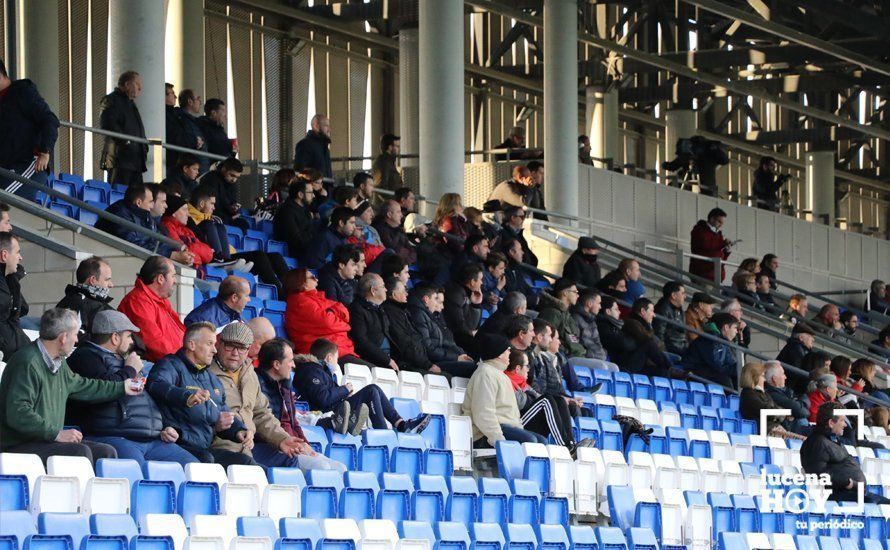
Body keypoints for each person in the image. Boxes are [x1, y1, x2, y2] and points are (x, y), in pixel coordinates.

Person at [0, 308, 144, 464]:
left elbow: (84, 386)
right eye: (75, 335)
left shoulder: (60, 364)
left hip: (45, 441)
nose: (77, 340)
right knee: (79, 452)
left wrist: (122, 387)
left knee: (105, 452)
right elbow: (18, 412)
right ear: (63, 337)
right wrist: (56, 434)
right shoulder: (27, 362)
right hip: (18, 446)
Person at [66, 310, 198, 466]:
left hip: (153, 439)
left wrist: (165, 427)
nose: (132, 342)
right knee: (136, 474)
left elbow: (147, 399)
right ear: (115, 338)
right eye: (128, 336)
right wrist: (130, 370)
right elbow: (104, 389)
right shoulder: (86, 357)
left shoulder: (126, 360)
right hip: (114, 436)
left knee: (195, 469)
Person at [208, 323, 344, 471]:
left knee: (335, 468)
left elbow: (262, 414)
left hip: (250, 447)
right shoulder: (205, 374)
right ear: (219, 344)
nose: (235, 353)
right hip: (223, 447)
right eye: (230, 346)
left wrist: (283, 439)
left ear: (248, 350)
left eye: (241, 348)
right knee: (316, 468)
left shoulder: (249, 373)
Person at [146, 322, 256, 466]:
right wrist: (187, 396)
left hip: (204, 447)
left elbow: (223, 412)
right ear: (192, 345)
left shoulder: (212, 379)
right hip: (176, 442)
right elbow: (155, 385)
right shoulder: (170, 365)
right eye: (210, 343)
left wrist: (238, 431)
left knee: (245, 463)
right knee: (206, 460)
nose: (214, 350)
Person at [293, 337, 430, 432]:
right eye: (336, 358)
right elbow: (322, 398)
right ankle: (382, 431)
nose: (336, 363)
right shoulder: (310, 370)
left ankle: (401, 425)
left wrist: (343, 393)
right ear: (329, 357)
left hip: (336, 409)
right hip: (327, 414)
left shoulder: (319, 371)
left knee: (373, 388)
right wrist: (344, 390)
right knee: (370, 391)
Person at [257, 337, 355, 437]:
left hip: (288, 441)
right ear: (277, 364)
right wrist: (288, 442)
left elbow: (293, 423)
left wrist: (303, 443)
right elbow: (272, 423)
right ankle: (336, 422)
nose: (294, 365)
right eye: (290, 361)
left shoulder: (284, 386)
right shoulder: (258, 387)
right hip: (273, 444)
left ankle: (344, 421)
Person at [462, 336, 547, 448]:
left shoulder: (501, 375)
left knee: (542, 442)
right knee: (530, 441)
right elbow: (483, 413)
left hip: (506, 427)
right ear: (499, 354)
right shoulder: (485, 374)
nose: (509, 353)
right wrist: (498, 439)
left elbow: (512, 412)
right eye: (507, 350)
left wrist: (520, 430)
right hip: (484, 434)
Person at [505, 349, 593, 455]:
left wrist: (566, 399)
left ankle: (571, 442)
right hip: (516, 423)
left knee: (559, 400)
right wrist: (532, 398)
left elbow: (536, 397)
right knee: (546, 400)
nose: (528, 369)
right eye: (526, 365)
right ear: (518, 369)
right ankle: (566, 447)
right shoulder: (506, 381)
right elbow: (520, 402)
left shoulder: (524, 384)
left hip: (526, 419)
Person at [801, 402, 890, 504]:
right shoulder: (817, 443)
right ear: (831, 423)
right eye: (842, 420)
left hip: (853, 493)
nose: (845, 424)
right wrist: (849, 483)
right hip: (837, 495)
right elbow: (818, 474)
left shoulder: (831, 440)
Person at [0, 59, 59, 201]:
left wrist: (45, 152)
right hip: (6, 167)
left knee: (4, 199)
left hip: (29, 164)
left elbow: (50, 119)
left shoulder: (22, 91)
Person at [96, 184, 194, 266]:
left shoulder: (145, 216)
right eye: (151, 202)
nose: (152, 206)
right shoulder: (118, 214)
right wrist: (173, 255)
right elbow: (132, 245)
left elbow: (156, 240)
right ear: (138, 202)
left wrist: (178, 250)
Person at [118, 256, 187, 362]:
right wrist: (184, 361)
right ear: (160, 279)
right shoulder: (138, 300)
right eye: (173, 276)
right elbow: (154, 342)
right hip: (159, 367)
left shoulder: (160, 300)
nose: (175, 280)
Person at [284, 268, 359, 361]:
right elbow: (328, 323)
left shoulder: (317, 297)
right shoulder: (299, 302)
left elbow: (343, 310)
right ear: (303, 284)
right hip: (324, 354)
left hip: (339, 350)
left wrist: (331, 312)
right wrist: (345, 324)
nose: (316, 279)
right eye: (312, 277)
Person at [408, 283, 475, 369]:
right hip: (433, 362)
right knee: (472, 368)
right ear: (426, 299)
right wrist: (456, 357)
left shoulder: (427, 315)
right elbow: (428, 348)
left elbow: (444, 342)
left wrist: (460, 353)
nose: (439, 305)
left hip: (440, 358)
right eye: (436, 299)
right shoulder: (419, 314)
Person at [99, 71, 147, 185]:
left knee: (137, 199)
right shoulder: (111, 100)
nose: (140, 87)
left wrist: (143, 147)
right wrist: (126, 142)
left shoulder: (131, 104)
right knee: (119, 195)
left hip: (135, 161)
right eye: (137, 83)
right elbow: (108, 124)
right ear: (127, 84)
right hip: (119, 159)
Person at [347, 274, 401, 371]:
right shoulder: (357, 310)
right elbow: (361, 343)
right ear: (373, 291)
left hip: (391, 359)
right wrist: (387, 360)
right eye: (383, 286)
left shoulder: (380, 309)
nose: (386, 290)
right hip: (374, 362)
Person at [738, 362, 805, 440]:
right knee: (802, 442)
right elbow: (766, 409)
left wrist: (779, 412)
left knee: (804, 441)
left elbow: (774, 407)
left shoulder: (763, 393)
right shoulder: (748, 394)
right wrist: (784, 413)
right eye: (762, 376)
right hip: (766, 432)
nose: (764, 380)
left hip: (775, 429)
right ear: (754, 377)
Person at [55, 256, 115, 342]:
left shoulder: (94, 302)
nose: (111, 285)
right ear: (93, 280)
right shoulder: (76, 302)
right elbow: (76, 339)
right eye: (107, 280)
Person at [620, 298, 677, 378]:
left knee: (663, 372)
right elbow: (648, 341)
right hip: (628, 365)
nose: (654, 315)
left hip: (639, 364)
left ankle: (670, 368)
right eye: (652, 311)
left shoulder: (641, 325)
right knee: (648, 343)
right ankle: (670, 367)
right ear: (643, 311)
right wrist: (649, 326)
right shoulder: (631, 323)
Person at [681, 312, 740, 390]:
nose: (737, 332)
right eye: (735, 328)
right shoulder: (710, 340)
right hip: (693, 372)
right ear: (726, 327)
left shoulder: (723, 341)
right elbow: (717, 366)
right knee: (725, 379)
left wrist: (741, 369)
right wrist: (737, 369)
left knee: (739, 378)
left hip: (707, 372)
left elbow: (730, 362)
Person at [159, 194, 214, 269]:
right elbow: (184, 254)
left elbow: (209, 254)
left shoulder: (187, 230)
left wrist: (189, 247)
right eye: (185, 210)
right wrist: (197, 254)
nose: (188, 214)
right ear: (174, 212)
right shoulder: (167, 226)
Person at [538, 279, 587, 358]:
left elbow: (574, 339)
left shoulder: (567, 316)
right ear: (565, 293)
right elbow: (546, 341)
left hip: (575, 356)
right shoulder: (552, 313)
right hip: (563, 357)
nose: (578, 295)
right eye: (575, 292)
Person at [444, 263, 486, 353]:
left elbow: (472, 325)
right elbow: (457, 325)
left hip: (463, 336)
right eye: (480, 280)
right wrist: (471, 333)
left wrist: (476, 305)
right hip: (453, 339)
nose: (482, 283)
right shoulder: (455, 294)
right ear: (472, 282)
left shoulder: (467, 292)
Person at [199, 157, 248, 231]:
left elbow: (230, 202)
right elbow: (211, 206)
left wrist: (233, 207)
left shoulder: (231, 184)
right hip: (213, 217)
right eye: (232, 175)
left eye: (237, 177)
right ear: (224, 169)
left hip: (225, 216)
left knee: (244, 224)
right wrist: (229, 216)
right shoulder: (210, 179)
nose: (234, 180)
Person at [273, 177, 316, 260]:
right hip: (293, 253)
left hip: (305, 250)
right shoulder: (287, 211)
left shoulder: (305, 209)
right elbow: (296, 240)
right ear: (300, 194)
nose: (313, 196)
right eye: (310, 192)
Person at [0, 232, 28, 360]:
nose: (20, 257)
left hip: (16, 349)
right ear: (4, 255)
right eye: (17, 252)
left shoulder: (10, 281)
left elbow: (20, 311)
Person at [185, 276, 250, 327]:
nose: (249, 300)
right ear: (234, 298)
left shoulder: (235, 314)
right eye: (247, 296)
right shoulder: (202, 319)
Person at [689, 208, 732, 283]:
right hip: (703, 273)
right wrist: (723, 243)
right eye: (719, 222)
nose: (721, 225)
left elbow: (719, 254)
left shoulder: (718, 233)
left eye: (722, 223)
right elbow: (705, 245)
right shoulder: (699, 229)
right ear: (712, 219)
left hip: (715, 274)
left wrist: (726, 251)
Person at [763, 360, 810, 428]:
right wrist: (799, 407)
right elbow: (802, 412)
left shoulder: (787, 390)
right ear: (774, 379)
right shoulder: (772, 395)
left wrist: (798, 408)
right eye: (782, 374)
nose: (785, 377)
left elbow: (804, 397)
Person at [374, 199, 418, 264]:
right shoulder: (379, 229)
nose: (401, 215)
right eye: (398, 212)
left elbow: (412, 252)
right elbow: (392, 249)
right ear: (389, 214)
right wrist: (405, 254)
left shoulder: (400, 230)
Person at [176, 89, 209, 173]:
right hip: (194, 170)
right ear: (190, 101)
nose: (200, 102)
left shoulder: (191, 121)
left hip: (198, 168)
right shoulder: (183, 120)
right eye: (198, 99)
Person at [653, 281, 688, 355]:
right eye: (682, 293)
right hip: (671, 349)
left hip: (681, 346)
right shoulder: (663, 309)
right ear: (673, 295)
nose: (685, 296)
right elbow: (659, 334)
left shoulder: (679, 308)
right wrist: (664, 354)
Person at [570, 290, 607, 361]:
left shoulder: (592, 321)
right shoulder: (575, 318)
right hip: (580, 358)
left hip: (595, 357)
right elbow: (574, 343)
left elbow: (597, 342)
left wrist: (601, 353)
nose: (600, 307)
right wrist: (591, 354)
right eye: (599, 303)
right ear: (589, 304)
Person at [294, 114, 332, 178]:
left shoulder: (324, 147)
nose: (328, 129)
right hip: (314, 187)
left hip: (323, 186)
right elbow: (300, 170)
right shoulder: (305, 145)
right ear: (316, 126)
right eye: (326, 126)